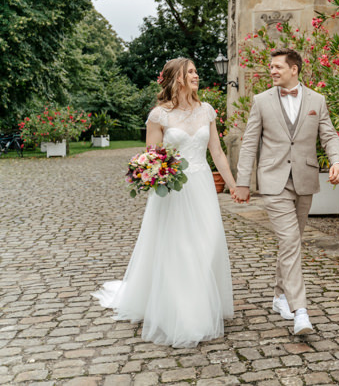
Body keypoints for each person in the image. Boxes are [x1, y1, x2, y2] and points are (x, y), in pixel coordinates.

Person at [92, 57, 236, 348]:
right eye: (191, 72)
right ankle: (184, 314)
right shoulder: (159, 115)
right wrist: (157, 174)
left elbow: (217, 152)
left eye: (197, 70)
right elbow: (152, 157)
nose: (197, 75)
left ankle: (205, 302)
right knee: (181, 249)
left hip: (203, 185)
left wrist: (234, 186)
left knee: (208, 244)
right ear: (177, 78)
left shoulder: (206, 110)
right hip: (175, 192)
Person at [234, 48, 339, 335]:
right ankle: (301, 312)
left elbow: (329, 135)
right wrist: (242, 182)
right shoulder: (261, 101)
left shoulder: (316, 101)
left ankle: (279, 296)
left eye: (277, 67)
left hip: (305, 179)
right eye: (270, 66)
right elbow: (249, 143)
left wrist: (337, 161)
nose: (271, 71)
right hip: (273, 182)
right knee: (291, 239)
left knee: (290, 243)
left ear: (293, 69)